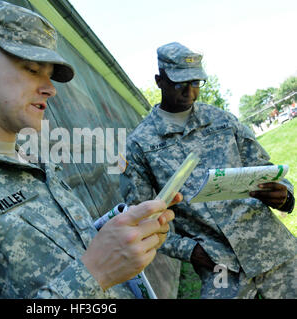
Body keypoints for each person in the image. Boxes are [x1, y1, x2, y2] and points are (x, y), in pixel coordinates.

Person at [0, 0, 178, 299]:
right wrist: (95, 273)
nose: (50, 88)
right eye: (32, 69)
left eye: (49, 74)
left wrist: (115, 240)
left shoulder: (37, 164)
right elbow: (90, 273)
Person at [120, 42, 296, 299]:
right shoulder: (140, 145)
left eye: (196, 83)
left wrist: (284, 195)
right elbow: (143, 221)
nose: (190, 93)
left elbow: (265, 168)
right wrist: (191, 251)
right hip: (219, 266)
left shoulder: (222, 120)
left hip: (271, 249)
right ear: (160, 81)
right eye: (180, 84)